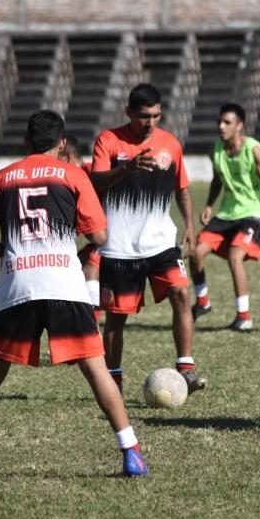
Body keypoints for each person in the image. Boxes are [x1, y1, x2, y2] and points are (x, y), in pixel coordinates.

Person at [0, 110, 147, 482]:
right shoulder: (74, 175)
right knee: (95, 368)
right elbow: (100, 238)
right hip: (64, 285)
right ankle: (131, 453)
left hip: (17, 285)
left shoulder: (1, 178)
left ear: (26, 143)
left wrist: (4, 250)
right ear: (62, 144)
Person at [90, 83, 206, 394]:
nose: (150, 122)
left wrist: (190, 227)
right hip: (119, 247)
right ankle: (112, 380)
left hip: (161, 244)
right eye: (143, 116)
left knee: (181, 294)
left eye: (155, 115)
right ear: (129, 112)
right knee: (116, 318)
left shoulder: (171, 144)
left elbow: (182, 189)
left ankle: (186, 369)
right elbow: (95, 182)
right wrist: (126, 168)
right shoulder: (109, 140)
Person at [188, 103, 260, 332]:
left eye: (227, 122)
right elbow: (218, 179)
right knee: (196, 253)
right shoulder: (216, 150)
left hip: (251, 214)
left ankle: (244, 317)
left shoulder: (252, 149)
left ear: (239, 126)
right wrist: (209, 204)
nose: (221, 126)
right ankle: (203, 302)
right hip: (226, 214)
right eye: (219, 121)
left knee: (234, 256)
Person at [59, 136, 101, 319]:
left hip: (116, 238)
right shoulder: (69, 179)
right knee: (73, 266)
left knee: (89, 269)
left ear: (66, 156)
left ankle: (93, 323)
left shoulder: (93, 175)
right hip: (100, 240)